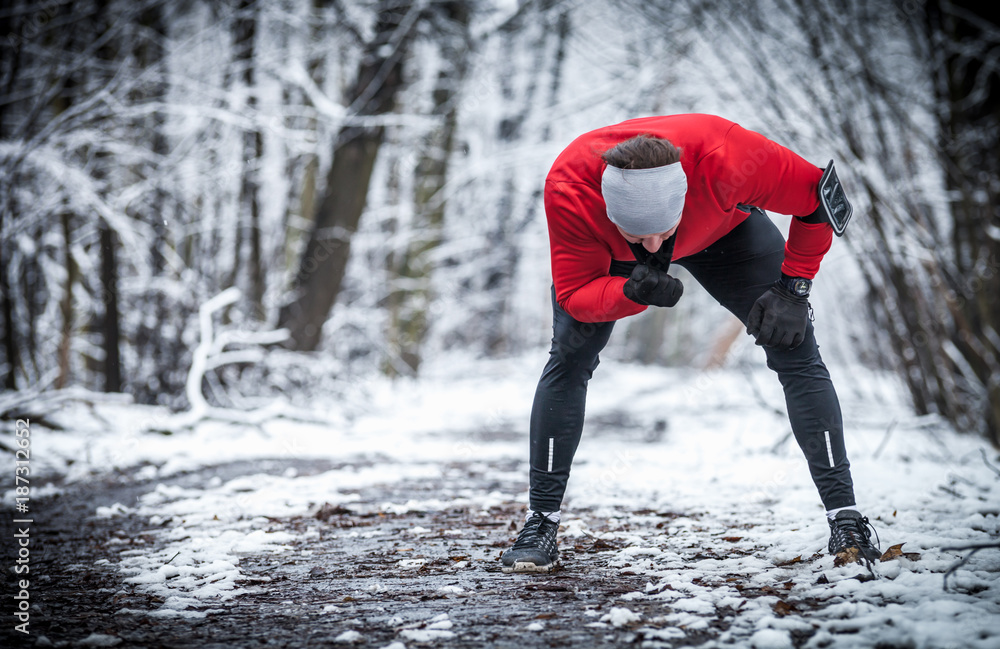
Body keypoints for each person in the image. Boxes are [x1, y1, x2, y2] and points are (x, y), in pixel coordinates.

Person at [500, 114, 881, 573]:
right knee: (569, 358)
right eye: (640, 233)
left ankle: (846, 519)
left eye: (664, 229)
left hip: (724, 233)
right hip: (616, 261)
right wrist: (628, 292)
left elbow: (821, 199)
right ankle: (541, 521)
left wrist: (794, 287)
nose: (658, 244)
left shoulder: (728, 156)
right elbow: (576, 298)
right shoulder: (571, 188)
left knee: (796, 351)